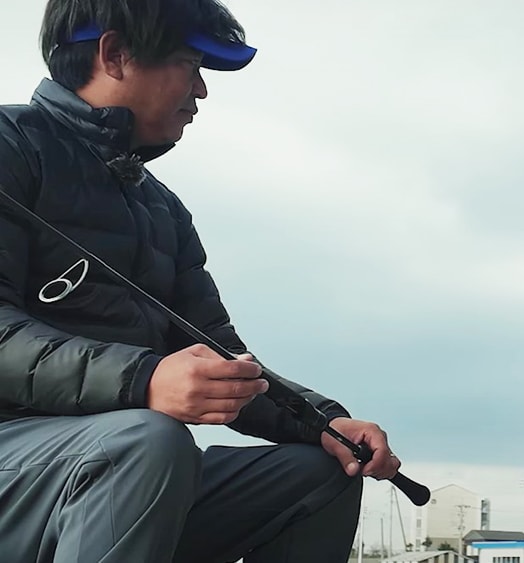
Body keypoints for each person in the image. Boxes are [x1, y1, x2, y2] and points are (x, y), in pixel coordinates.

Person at [0, 1, 400, 561]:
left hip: (121, 463)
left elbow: (219, 356)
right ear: (114, 54)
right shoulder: (10, 145)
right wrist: (145, 381)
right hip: (37, 461)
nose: (202, 91)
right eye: (190, 64)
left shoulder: (162, 208)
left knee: (320, 471)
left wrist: (326, 422)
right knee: (148, 441)